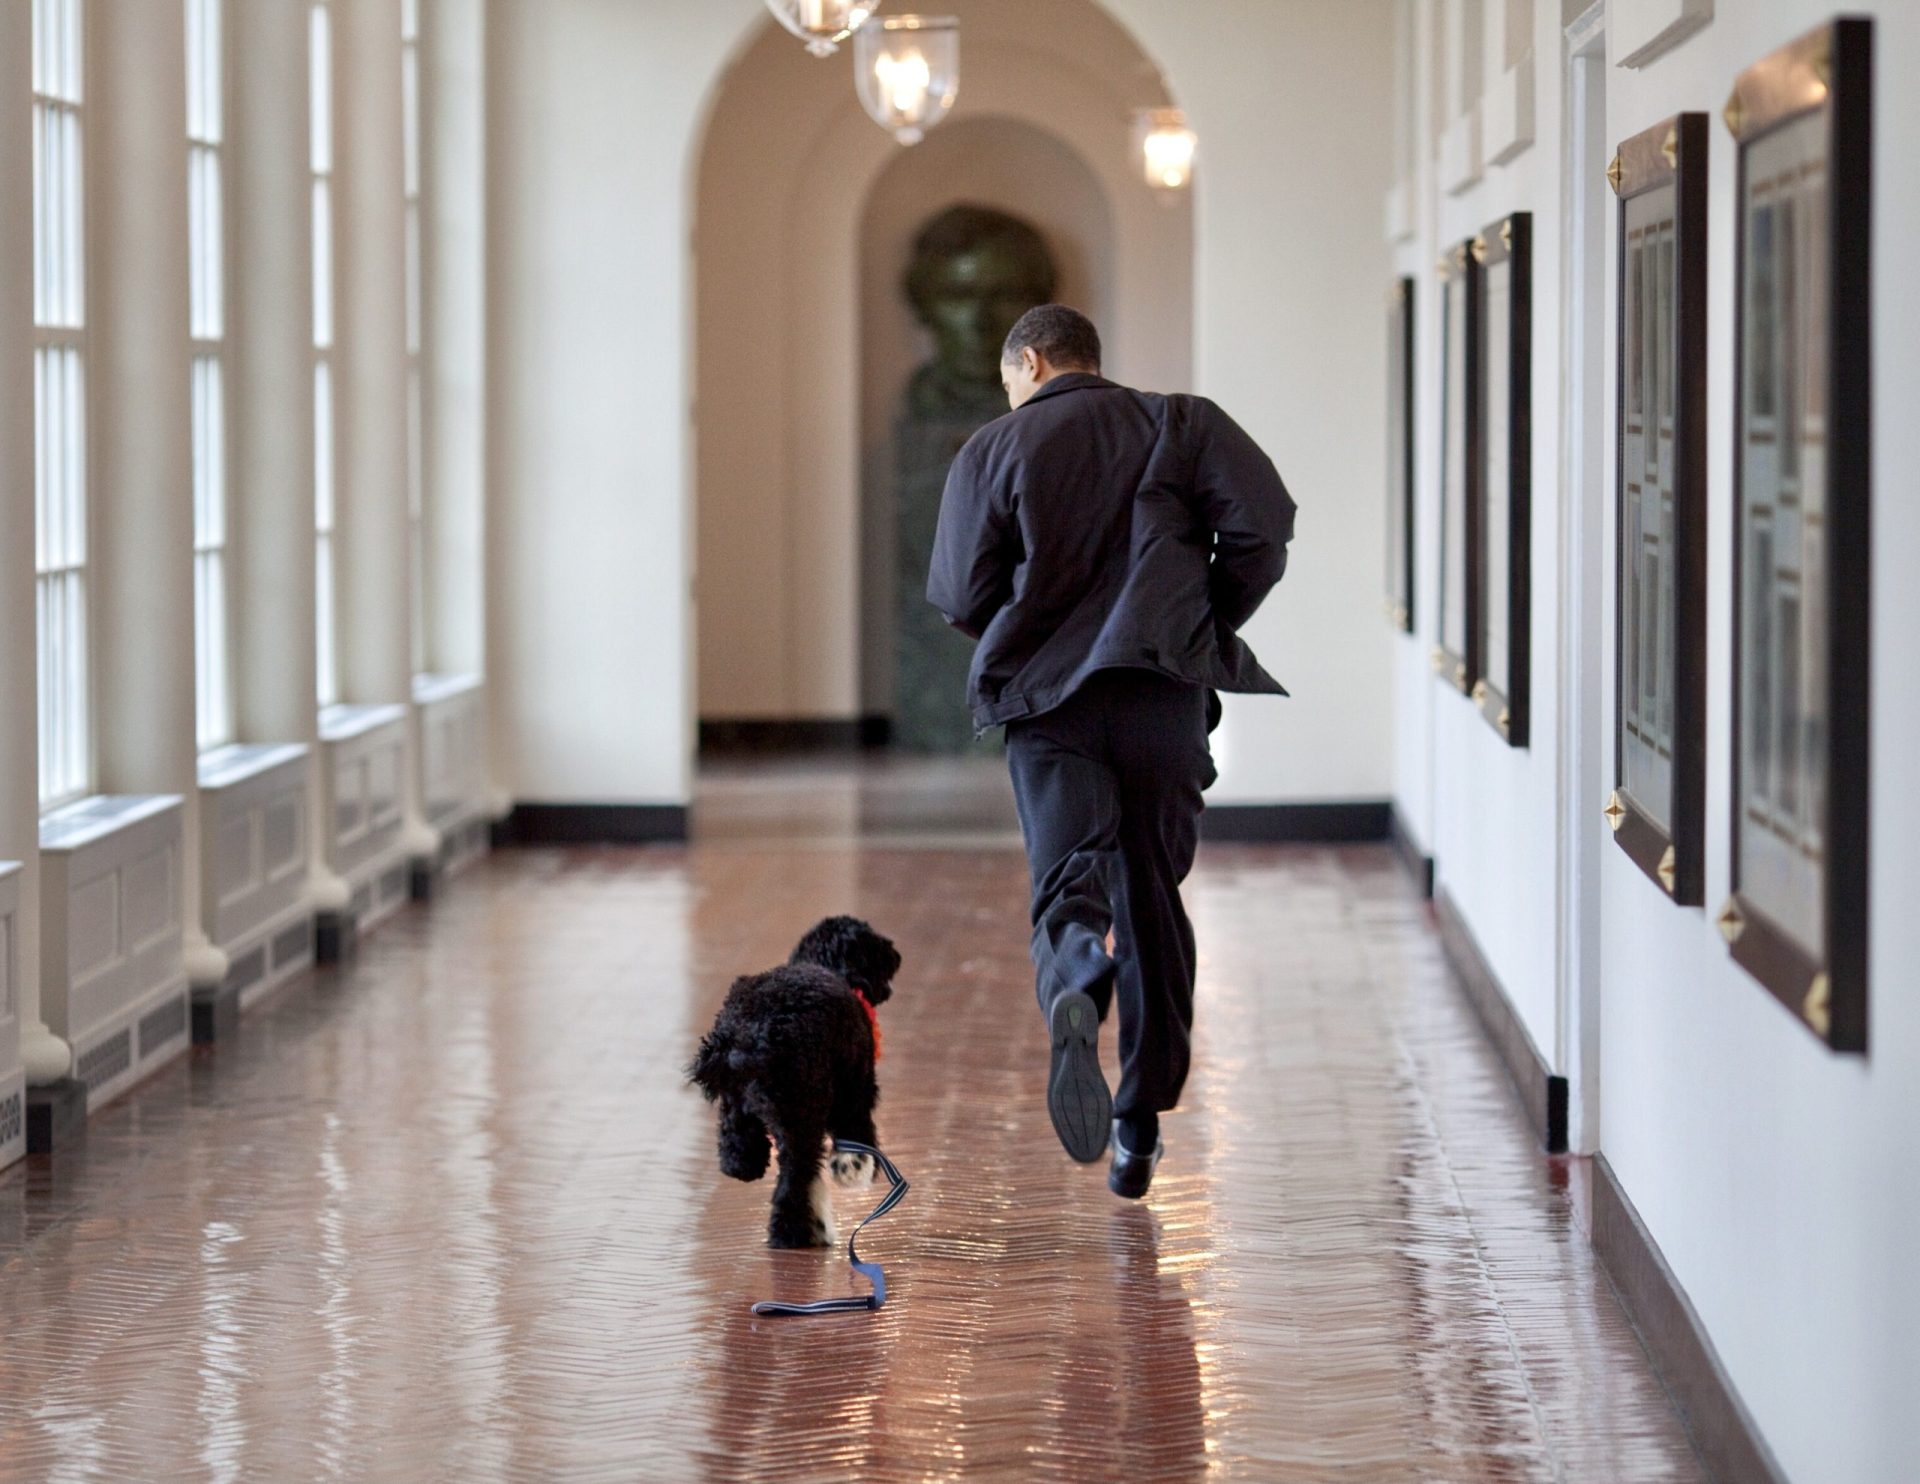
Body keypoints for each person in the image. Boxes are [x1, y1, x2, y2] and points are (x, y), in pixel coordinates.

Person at [926, 304, 1296, 1199]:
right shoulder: (1181, 421)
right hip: (1160, 693)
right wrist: (1194, 619)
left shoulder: (993, 449)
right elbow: (1264, 528)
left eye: (1008, 379)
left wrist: (1025, 629)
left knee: (1068, 879)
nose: (1009, 395)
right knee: (1151, 895)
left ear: (1035, 361)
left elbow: (958, 590)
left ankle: (1077, 974)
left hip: (1051, 703)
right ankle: (1138, 1124)